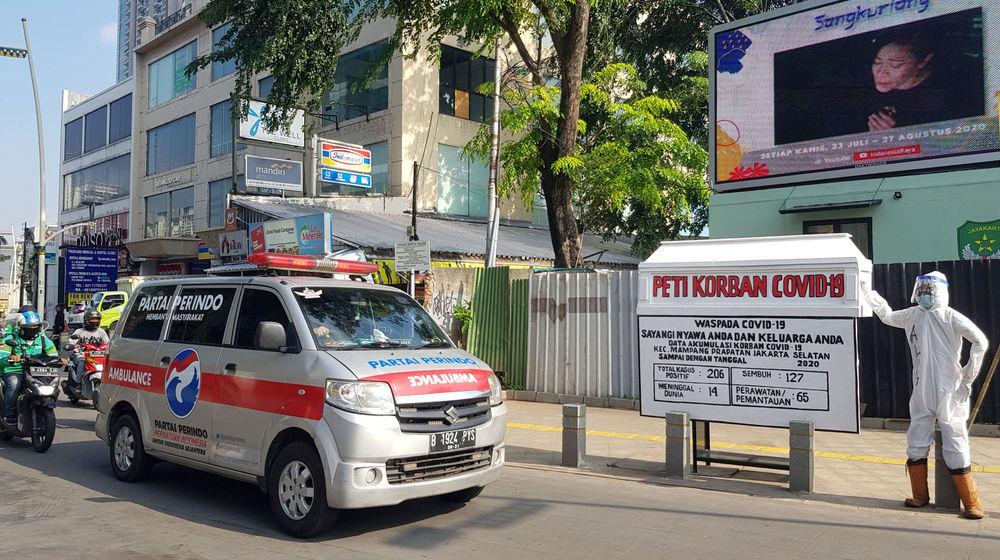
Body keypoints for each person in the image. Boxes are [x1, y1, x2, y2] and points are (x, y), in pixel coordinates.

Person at [862, 272, 988, 519]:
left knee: (956, 440)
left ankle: (972, 503)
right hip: (921, 388)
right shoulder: (913, 315)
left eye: (929, 290)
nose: (925, 295)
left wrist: (968, 376)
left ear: (940, 292)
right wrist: (868, 293)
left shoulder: (951, 316)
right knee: (917, 439)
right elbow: (887, 316)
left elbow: (980, 342)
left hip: (949, 390)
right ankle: (919, 495)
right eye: (922, 290)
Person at [866, 32, 979, 132]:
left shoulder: (955, 96)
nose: (880, 72)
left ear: (923, 62)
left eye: (895, 64)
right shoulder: (863, 85)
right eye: (877, 62)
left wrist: (900, 137)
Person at [0, 311, 59, 425]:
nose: (33, 328)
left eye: (35, 326)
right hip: (16, 370)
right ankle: (10, 415)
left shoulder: (43, 340)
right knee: (14, 384)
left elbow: (53, 355)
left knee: (53, 384)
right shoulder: (9, 339)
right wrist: (10, 358)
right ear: (20, 327)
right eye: (29, 327)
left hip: (37, 371)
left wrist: (60, 360)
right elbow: (1, 357)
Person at [67, 310, 110, 389]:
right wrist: (73, 346)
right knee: (82, 362)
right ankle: (78, 384)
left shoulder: (101, 332)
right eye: (92, 319)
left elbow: (108, 343)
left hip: (97, 356)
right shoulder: (79, 331)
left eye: (96, 319)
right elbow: (71, 342)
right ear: (86, 320)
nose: (94, 321)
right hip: (82, 355)